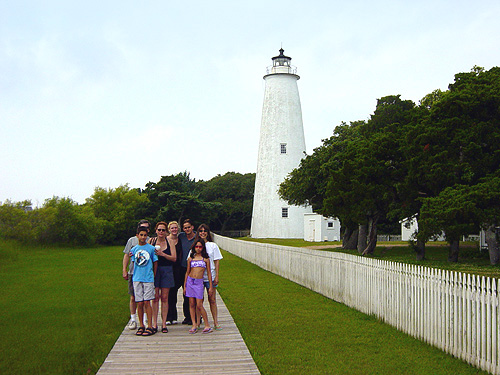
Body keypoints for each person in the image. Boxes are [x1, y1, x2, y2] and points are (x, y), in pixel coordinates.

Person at [129, 226, 158, 336]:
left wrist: (153, 275)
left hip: (148, 278)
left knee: (147, 302)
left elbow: (155, 262)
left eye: (145, 235)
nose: (143, 237)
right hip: (137, 278)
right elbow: (134, 262)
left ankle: (149, 326)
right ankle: (141, 325)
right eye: (141, 235)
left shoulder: (151, 249)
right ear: (137, 236)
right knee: (139, 302)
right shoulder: (134, 249)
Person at [149, 222, 176, 333]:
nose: (161, 232)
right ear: (156, 230)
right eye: (159, 230)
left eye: (163, 230)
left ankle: (164, 323)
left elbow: (174, 258)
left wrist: (163, 254)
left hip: (167, 270)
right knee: (155, 298)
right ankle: (155, 323)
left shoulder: (170, 242)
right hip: (155, 270)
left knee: (165, 298)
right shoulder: (151, 241)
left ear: (166, 231)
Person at [122, 219, 150, 330]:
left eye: (146, 228)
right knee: (134, 297)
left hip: (146, 273)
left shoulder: (150, 240)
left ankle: (145, 319)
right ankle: (133, 319)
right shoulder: (132, 241)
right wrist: (124, 269)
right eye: (142, 228)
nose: (144, 230)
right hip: (134, 272)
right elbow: (126, 255)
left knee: (146, 298)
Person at [195, 223, 223, 330]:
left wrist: (217, 276)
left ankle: (215, 322)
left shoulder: (213, 246)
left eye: (204, 231)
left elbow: (216, 261)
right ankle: (198, 322)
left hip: (210, 276)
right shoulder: (196, 245)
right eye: (201, 231)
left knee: (212, 299)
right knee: (199, 301)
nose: (203, 233)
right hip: (198, 277)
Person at [184, 239, 213, 334]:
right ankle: (194, 324)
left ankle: (207, 324)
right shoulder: (191, 258)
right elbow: (187, 272)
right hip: (190, 281)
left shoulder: (205, 259)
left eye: (200, 247)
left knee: (199, 304)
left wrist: (211, 287)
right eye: (197, 246)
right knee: (191, 304)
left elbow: (209, 273)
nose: (198, 248)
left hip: (199, 282)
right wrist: (185, 286)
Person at [178, 219, 197, 325]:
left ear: (192, 227)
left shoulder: (197, 238)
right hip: (183, 267)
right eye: (185, 228)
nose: (187, 229)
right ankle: (187, 316)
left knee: (194, 294)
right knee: (185, 293)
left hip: (194, 268)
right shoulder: (181, 236)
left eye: (188, 227)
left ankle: (196, 316)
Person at [165, 221, 184, 325]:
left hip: (179, 269)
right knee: (168, 294)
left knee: (175, 293)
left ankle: (175, 316)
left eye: (176, 228)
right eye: (172, 228)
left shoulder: (180, 239)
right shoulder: (166, 240)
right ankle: (168, 317)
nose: (174, 230)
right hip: (169, 268)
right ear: (169, 229)